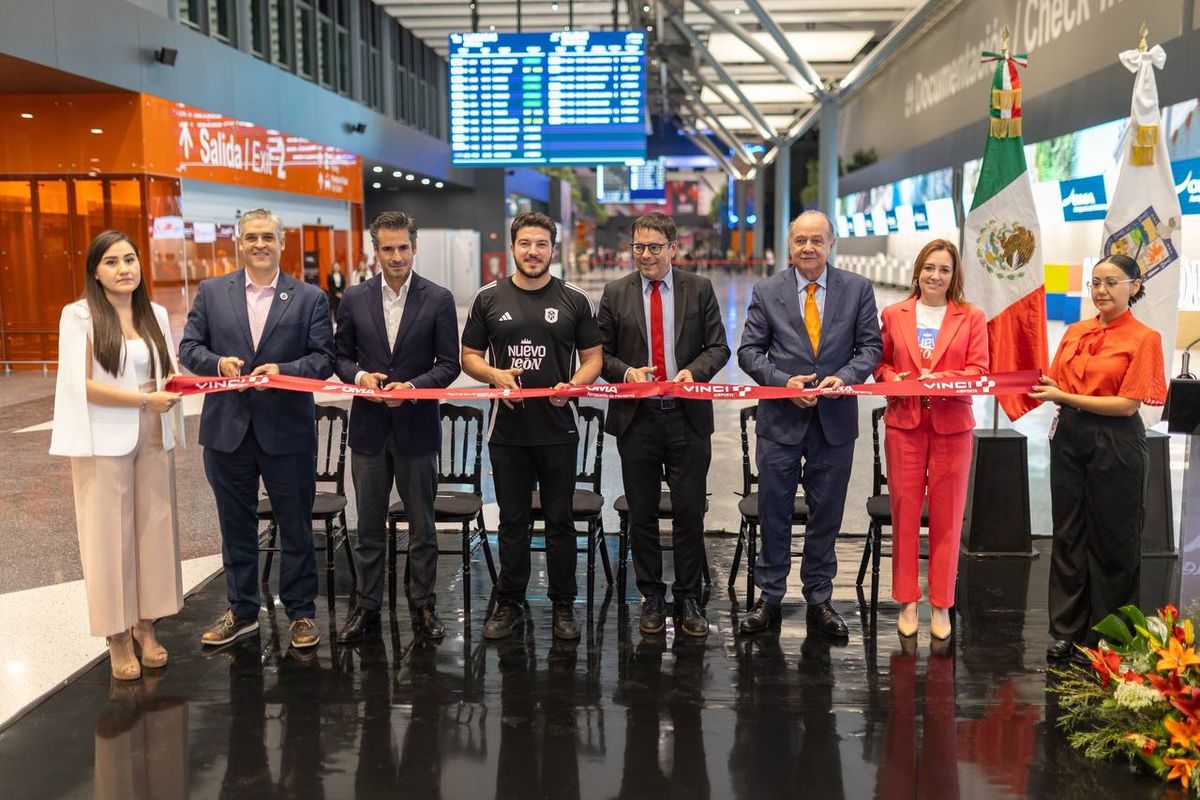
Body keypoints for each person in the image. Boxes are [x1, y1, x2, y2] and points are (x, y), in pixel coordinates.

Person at [179, 207, 335, 650]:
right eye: (251, 237)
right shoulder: (212, 293)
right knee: (235, 527)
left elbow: (323, 360)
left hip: (286, 432)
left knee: (296, 526)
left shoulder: (309, 298)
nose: (260, 244)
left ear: (282, 242)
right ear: (239, 243)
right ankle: (242, 611)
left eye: (268, 236)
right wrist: (216, 363)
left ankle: (301, 613)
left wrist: (282, 370)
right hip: (227, 432)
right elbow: (189, 348)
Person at [737, 210, 882, 637]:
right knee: (774, 510)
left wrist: (848, 377)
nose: (808, 248)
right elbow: (749, 351)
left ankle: (819, 597)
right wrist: (783, 382)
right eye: (800, 240)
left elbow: (870, 348)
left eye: (817, 240)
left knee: (827, 514)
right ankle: (770, 597)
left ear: (831, 243)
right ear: (790, 245)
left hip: (834, 423)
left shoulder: (857, 290)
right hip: (781, 421)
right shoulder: (767, 291)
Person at [461, 212, 603, 641]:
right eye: (525, 243)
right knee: (512, 520)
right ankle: (510, 603)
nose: (533, 251)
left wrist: (574, 385)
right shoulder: (488, 298)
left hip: (559, 428)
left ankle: (563, 605)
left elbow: (593, 359)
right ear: (513, 247)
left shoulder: (574, 299)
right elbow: (469, 357)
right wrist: (494, 375)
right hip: (508, 433)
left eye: (541, 244)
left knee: (560, 520)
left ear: (553, 250)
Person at [50, 230, 184, 680]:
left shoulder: (156, 315)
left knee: (153, 532)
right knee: (108, 539)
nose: (124, 268)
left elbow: (168, 369)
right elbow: (81, 384)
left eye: (130, 259)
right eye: (112, 262)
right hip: (103, 439)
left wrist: (176, 384)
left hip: (152, 433)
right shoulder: (80, 316)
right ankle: (116, 635)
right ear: (95, 271)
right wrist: (144, 401)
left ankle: (146, 625)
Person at [596, 212, 730, 637]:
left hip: (687, 416)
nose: (646, 255)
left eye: (655, 247)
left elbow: (719, 347)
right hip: (638, 420)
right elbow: (602, 354)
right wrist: (625, 373)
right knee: (642, 513)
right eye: (639, 247)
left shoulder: (699, 288)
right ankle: (651, 596)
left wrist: (695, 371)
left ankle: (688, 597)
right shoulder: (616, 293)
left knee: (689, 512)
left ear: (674, 247)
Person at [333, 212, 461, 642]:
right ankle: (365, 608)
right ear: (375, 250)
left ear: (414, 247)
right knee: (367, 528)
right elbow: (340, 357)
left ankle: (423, 606)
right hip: (368, 429)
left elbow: (449, 365)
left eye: (403, 247)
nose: (396, 256)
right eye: (387, 248)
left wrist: (414, 387)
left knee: (423, 527)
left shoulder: (438, 299)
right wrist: (358, 378)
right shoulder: (353, 298)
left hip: (417, 428)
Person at [1033, 254, 1166, 662]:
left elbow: (1127, 405)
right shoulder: (1075, 331)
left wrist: (1063, 396)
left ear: (1135, 286)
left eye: (1111, 282)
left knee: (1114, 540)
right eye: (1094, 282)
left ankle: (1111, 637)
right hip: (1070, 436)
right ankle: (1067, 631)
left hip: (1116, 441)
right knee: (1069, 536)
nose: (1101, 291)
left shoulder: (1144, 338)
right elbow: (1056, 381)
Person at [874, 240, 988, 640]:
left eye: (944, 269)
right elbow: (881, 364)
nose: (935, 276)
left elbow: (978, 371)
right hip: (904, 425)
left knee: (947, 518)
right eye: (929, 268)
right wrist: (893, 380)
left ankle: (941, 603)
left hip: (952, 427)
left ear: (954, 275)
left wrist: (939, 380)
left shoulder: (971, 316)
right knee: (904, 514)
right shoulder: (893, 313)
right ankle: (907, 599)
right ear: (917, 271)